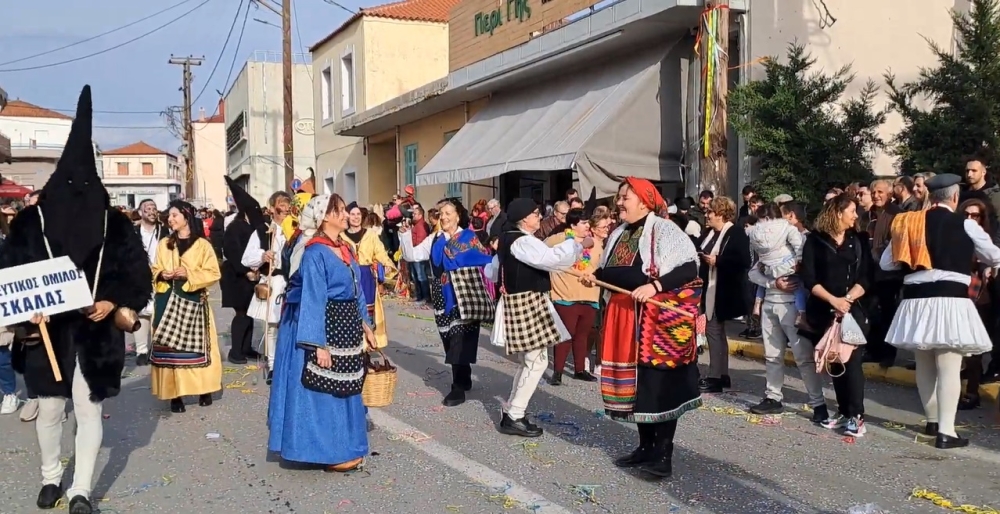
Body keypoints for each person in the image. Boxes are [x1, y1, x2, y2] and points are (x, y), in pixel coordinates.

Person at [0, 86, 153, 514]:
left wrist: (112, 302)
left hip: (95, 334)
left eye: (86, 186)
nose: (78, 194)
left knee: (89, 410)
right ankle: (51, 476)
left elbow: (138, 278)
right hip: (46, 333)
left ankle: (80, 490)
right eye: (70, 185)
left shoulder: (115, 225)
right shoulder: (29, 223)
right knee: (49, 412)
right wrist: (24, 314)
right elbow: (9, 275)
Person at [580, 178, 702, 479]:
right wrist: (595, 275)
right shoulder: (619, 233)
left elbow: (689, 267)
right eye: (619, 197)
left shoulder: (665, 230)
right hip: (624, 316)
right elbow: (615, 271)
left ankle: (663, 454)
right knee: (637, 387)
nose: (619, 202)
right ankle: (645, 447)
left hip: (655, 320)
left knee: (658, 384)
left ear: (645, 202)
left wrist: (655, 286)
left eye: (625, 197)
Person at [882, 174, 1000, 448]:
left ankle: (932, 421)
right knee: (949, 366)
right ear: (955, 197)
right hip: (950, 299)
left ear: (930, 196)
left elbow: (887, 263)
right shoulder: (965, 224)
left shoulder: (906, 221)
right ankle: (947, 432)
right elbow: (994, 255)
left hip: (915, 300)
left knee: (924, 362)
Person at [268, 194, 376, 472]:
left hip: (346, 325)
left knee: (347, 387)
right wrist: (318, 344)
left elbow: (357, 289)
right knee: (325, 389)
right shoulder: (315, 252)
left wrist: (366, 324)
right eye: (339, 210)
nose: (346, 214)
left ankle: (347, 446)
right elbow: (313, 298)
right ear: (325, 217)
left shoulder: (344, 247)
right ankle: (329, 454)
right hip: (327, 325)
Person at [487, 199, 586, 436]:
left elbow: (492, 271)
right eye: (535, 213)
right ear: (524, 218)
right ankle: (514, 415)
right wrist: (577, 244)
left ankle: (513, 411)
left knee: (530, 361)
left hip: (522, 301)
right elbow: (549, 259)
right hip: (527, 301)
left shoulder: (509, 238)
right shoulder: (521, 240)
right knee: (536, 361)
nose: (539, 216)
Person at [400, 198, 494, 407]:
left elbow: (484, 262)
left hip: (465, 294)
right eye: (441, 214)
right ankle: (464, 375)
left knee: (460, 337)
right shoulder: (435, 239)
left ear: (458, 216)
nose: (443, 217)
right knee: (449, 339)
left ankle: (457, 387)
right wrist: (405, 235)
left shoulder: (469, 238)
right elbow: (413, 255)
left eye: (448, 213)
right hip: (442, 294)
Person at [800, 193, 872, 437]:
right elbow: (809, 278)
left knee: (852, 362)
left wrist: (847, 300)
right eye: (851, 211)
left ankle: (857, 416)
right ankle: (843, 411)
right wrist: (833, 301)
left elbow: (866, 276)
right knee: (835, 362)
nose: (855, 216)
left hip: (853, 311)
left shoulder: (859, 239)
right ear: (838, 212)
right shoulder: (815, 240)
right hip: (825, 310)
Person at [149, 201, 223, 413]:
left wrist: (189, 274)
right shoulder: (164, 244)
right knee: (171, 349)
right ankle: (175, 394)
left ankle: (204, 389)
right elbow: (154, 268)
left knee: (197, 347)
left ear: (186, 217)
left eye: (174, 215)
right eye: (169, 216)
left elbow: (213, 272)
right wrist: (162, 274)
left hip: (193, 301)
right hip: (167, 300)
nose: (170, 219)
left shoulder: (202, 245)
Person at [696, 196, 751, 393]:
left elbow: (743, 260)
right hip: (710, 288)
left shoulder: (736, 233)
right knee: (717, 332)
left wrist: (717, 261)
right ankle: (722, 374)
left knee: (713, 331)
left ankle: (715, 377)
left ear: (720, 214)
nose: (707, 215)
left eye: (710, 212)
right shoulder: (709, 233)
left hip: (725, 290)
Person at [544, 208, 602, 385]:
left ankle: (580, 370)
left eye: (588, 222)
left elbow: (600, 265)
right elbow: (542, 255)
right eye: (583, 223)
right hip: (565, 294)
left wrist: (594, 275)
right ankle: (558, 372)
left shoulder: (594, 242)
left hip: (589, 295)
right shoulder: (558, 239)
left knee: (582, 335)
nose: (587, 226)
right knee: (565, 335)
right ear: (572, 225)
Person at [242, 192, 291, 384]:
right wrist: (263, 256)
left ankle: (290, 364)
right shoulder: (262, 231)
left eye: (287, 205)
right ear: (272, 208)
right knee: (272, 325)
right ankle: (272, 365)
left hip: (293, 281)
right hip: (274, 280)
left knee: (291, 324)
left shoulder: (295, 229)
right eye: (281, 205)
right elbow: (246, 258)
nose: (285, 209)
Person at [343, 202, 396, 350]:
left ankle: (367, 346)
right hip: (347, 276)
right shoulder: (341, 236)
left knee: (367, 311)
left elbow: (380, 252)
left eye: (358, 214)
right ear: (347, 216)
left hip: (366, 277)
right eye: (352, 214)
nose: (356, 217)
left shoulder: (370, 235)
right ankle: (354, 345)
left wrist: (386, 264)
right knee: (351, 311)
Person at [222, 178, 263, 364]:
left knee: (250, 312)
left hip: (251, 276)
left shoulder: (251, 227)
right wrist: (245, 270)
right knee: (241, 313)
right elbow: (232, 252)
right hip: (236, 277)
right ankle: (235, 351)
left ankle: (246, 348)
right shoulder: (235, 227)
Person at [748, 203, 808, 329]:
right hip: (770, 301)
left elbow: (801, 262)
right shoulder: (767, 238)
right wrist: (773, 282)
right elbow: (753, 273)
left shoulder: (802, 237)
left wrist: (770, 272)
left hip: (789, 303)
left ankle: (757, 305)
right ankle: (801, 314)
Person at [132, 199, 169, 366]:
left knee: (159, 313)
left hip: (160, 277)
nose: (152, 211)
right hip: (140, 278)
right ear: (140, 213)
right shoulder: (133, 232)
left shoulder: (164, 231)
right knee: (141, 314)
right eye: (147, 208)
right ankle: (141, 351)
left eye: (154, 208)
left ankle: (158, 348)